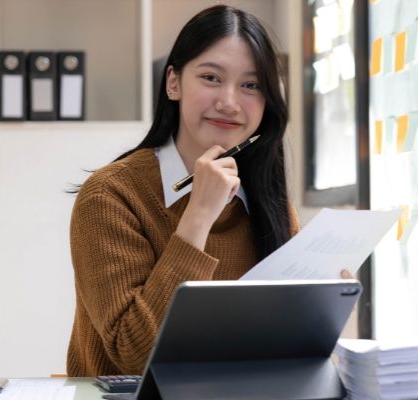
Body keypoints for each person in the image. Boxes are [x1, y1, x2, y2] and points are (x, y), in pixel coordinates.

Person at [65, 5, 298, 376]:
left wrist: (323, 307)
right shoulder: (109, 196)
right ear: (173, 82)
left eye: (251, 85)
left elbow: (280, 343)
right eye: (210, 77)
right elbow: (136, 354)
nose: (229, 102)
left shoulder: (266, 198)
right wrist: (199, 215)